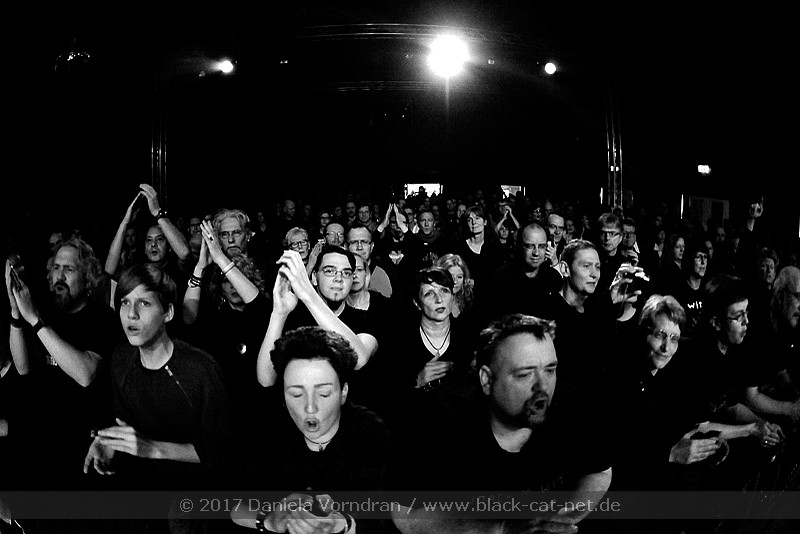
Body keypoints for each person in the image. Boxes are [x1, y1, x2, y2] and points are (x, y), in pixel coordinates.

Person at [390, 314, 612, 534]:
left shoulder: (572, 404)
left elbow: (599, 472)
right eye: (524, 374)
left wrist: (559, 522)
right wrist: (500, 529)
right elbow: (404, 514)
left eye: (550, 370)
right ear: (487, 380)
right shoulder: (439, 425)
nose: (542, 387)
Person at [84, 263, 240, 532]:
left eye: (144, 303)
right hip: (147, 490)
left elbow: (224, 453)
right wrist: (108, 442)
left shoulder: (199, 369)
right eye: (124, 302)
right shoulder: (121, 359)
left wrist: (153, 448)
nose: (131, 314)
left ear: (168, 313)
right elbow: (126, 423)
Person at [231, 326, 391, 534]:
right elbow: (234, 506)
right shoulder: (269, 427)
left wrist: (340, 524)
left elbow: (383, 515)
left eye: (323, 394)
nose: (310, 408)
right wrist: (269, 520)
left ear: (343, 392)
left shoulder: (370, 432)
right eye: (296, 394)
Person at [5, 237, 121, 490]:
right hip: (41, 440)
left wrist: (34, 320)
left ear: (87, 276)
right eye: (56, 268)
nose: (59, 276)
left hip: (80, 445)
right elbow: (23, 367)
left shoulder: (103, 318)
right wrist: (16, 314)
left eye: (69, 269)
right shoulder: (45, 312)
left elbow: (85, 373)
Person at [182, 220, 270, 424]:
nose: (232, 286)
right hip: (225, 406)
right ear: (219, 287)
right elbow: (188, 319)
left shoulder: (263, 315)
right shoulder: (215, 320)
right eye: (226, 281)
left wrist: (220, 258)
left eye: (237, 280)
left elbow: (258, 305)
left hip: (260, 406)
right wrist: (200, 267)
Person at [256, 246, 379, 387]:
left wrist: (307, 293)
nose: (339, 278)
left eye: (346, 273)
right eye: (329, 271)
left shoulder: (365, 319)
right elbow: (266, 380)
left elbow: (359, 359)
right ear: (315, 277)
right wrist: (279, 314)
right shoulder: (294, 320)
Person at [486, 222, 563, 322]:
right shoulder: (502, 278)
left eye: (541, 246)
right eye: (530, 246)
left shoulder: (553, 278)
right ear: (519, 246)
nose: (536, 253)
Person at [347, 223, 392, 298]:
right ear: (346, 246)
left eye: (364, 242)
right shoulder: (339, 272)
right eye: (354, 242)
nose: (359, 247)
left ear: (372, 246)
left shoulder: (386, 270)